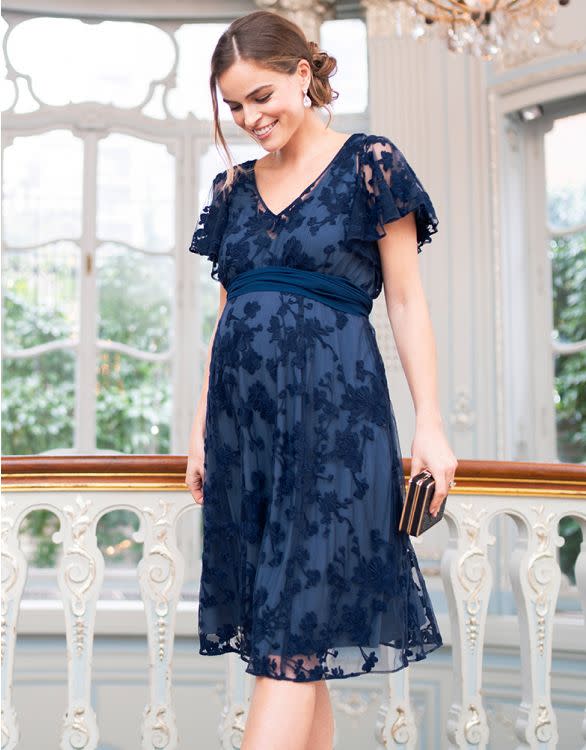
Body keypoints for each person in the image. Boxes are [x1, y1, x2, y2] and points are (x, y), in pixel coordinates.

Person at [185, 9, 458, 750]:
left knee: (287, 641)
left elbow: (405, 300)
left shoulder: (371, 162)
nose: (249, 118)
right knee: (293, 644)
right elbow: (226, 319)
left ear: (303, 76)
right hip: (245, 438)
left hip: (335, 432)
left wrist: (430, 422)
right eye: (234, 105)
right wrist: (200, 432)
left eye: (261, 97)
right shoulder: (230, 190)